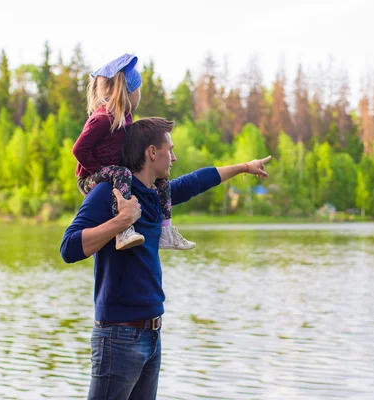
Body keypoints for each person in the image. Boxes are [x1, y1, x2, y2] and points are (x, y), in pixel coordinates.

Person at [60, 116, 271, 399]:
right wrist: (121, 221)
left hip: (152, 333)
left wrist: (245, 167)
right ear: (151, 152)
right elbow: (69, 248)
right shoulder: (108, 194)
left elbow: (199, 180)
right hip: (118, 337)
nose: (174, 157)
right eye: (169, 149)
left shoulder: (157, 196)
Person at [72, 53, 194, 251]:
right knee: (121, 173)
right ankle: (123, 230)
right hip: (89, 179)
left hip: (114, 174)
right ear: (128, 93)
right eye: (139, 90)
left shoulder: (126, 118)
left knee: (161, 179)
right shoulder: (102, 118)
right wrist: (103, 171)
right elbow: (79, 149)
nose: (140, 95)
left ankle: (165, 230)